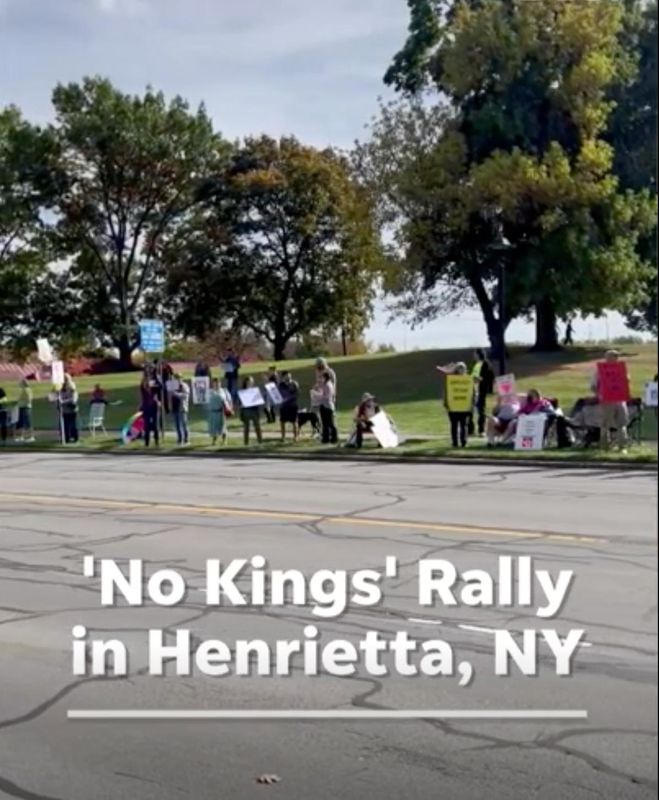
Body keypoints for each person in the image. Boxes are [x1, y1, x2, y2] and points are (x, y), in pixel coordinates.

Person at [591, 349, 629, 451]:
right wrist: (599, 395)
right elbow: (593, 386)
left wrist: (626, 379)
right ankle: (605, 446)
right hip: (606, 400)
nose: (616, 358)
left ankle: (622, 447)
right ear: (607, 358)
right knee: (605, 424)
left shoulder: (621, 369)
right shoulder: (600, 370)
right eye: (613, 356)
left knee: (622, 423)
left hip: (620, 400)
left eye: (616, 356)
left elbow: (626, 383)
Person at [439, 362, 471, 448]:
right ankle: (455, 442)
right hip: (453, 407)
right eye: (459, 368)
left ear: (465, 370)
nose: (461, 370)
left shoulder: (468, 380)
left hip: (465, 407)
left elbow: (472, 393)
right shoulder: (450, 380)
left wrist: (471, 404)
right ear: (456, 370)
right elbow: (447, 392)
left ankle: (464, 442)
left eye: (462, 368)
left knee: (464, 425)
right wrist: (446, 403)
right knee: (454, 425)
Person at [471, 349, 495, 436]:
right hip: (473, 390)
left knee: (481, 410)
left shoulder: (486, 364)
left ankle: (482, 430)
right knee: (471, 410)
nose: (474, 356)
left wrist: (481, 380)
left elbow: (490, 376)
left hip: (481, 390)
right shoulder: (476, 364)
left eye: (475, 354)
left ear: (479, 354)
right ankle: (471, 430)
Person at [239, 376, 263, 445]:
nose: (251, 383)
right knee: (246, 428)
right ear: (246, 382)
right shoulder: (243, 391)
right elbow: (240, 403)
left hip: (254, 411)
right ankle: (246, 442)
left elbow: (258, 401)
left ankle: (260, 441)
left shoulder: (255, 390)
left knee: (257, 427)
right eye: (249, 381)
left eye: (252, 382)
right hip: (246, 411)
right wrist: (242, 406)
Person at [208, 378, 231, 446]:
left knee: (223, 426)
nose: (216, 385)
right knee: (214, 427)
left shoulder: (223, 391)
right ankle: (214, 440)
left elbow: (228, 400)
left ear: (220, 384)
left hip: (221, 412)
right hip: (213, 412)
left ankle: (224, 440)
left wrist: (228, 407)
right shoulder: (210, 391)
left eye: (218, 383)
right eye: (215, 383)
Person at [139, 374, 160, 448]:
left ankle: (156, 441)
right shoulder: (143, 390)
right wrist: (144, 377)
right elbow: (141, 385)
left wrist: (156, 377)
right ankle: (147, 442)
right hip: (146, 408)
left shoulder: (154, 389)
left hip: (154, 407)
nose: (147, 383)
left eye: (148, 381)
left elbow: (160, 386)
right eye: (146, 382)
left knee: (155, 425)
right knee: (146, 425)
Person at [278, 371, 300, 442]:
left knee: (294, 422)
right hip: (283, 406)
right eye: (287, 376)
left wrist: (287, 399)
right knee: (282, 422)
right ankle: (283, 437)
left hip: (292, 405)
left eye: (289, 375)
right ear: (283, 377)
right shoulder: (281, 385)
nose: (288, 377)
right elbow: (278, 394)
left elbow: (296, 394)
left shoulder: (294, 384)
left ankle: (295, 437)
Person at [318, 370, 338, 444]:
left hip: (327, 406)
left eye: (322, 377)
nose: (321, 379)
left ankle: (334, 438)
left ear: (325, 377)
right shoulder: (324, 384)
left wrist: (319, 396)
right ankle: (325, 438)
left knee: (330, 423)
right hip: (323, 405)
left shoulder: (328, 385)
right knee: (325, 423)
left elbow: (327, 396)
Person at [171, 374, 191, 446]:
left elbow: (185, 395)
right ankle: (179, 439)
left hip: (182, 407)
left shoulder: (184, 386)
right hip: (175, 407)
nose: (177, 380)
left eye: (178, 378)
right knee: (177, 425)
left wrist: (176, 394)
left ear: (181, 379)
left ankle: (186, 439)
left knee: (184, 424)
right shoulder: (173, 386)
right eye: (176, 379)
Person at [59, 374, 79, 444]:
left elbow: (74, 399)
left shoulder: (72, 387)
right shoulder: (62, 388)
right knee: (65, 425)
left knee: (73, 424)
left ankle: (75, 438)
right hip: (64, 410)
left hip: (71, 409)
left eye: (66, 379)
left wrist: (64, 401)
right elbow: (60, 396)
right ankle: (66, 438)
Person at [16, 378, 34, 442]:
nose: (19, 383)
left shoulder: (27, 390)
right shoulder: (23, 389)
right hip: (22, 407)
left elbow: (29, 399)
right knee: (22, 422)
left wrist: (24, 402)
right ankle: (21, 436)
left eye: (20, 382)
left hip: (26, 407)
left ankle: (31, 436)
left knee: (28, 422)